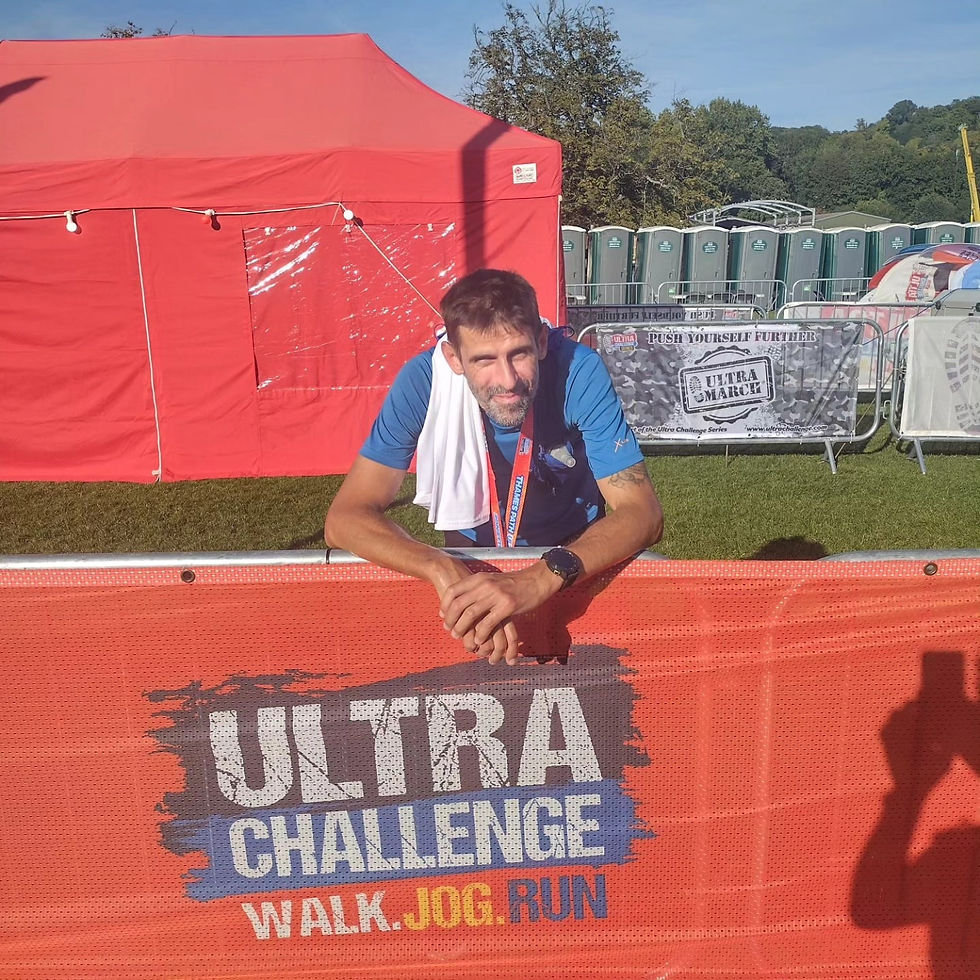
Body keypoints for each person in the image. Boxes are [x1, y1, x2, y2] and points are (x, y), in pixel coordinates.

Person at [324, 268, 663, 665]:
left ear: (540, 341)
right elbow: (344, 519)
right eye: (484, 360)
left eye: (518, 353)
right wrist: (441, 566)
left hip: (571, 563)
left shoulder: (578, 370)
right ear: (453, 358)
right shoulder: (423, 381)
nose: (507, 380)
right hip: (470, 567)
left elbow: (643, 514)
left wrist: (539, 578)